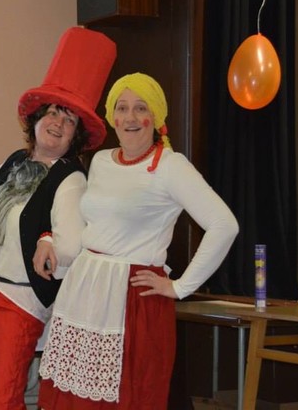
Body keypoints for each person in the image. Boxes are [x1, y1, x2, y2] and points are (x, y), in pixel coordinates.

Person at [37, 73, 240, 409]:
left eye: (141, 108)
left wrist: (180, 287)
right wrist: (48, 237)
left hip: (131, 298)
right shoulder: (101, 161)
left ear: (155, 117)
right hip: (84, 291)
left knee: (129, 397)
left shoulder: (170, 167)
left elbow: (224, 225)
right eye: (122, 108)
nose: (130, 117)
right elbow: (91, 222)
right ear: (112, 117)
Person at [0, 27, 116, 409]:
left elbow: (73, 248)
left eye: (69, 120)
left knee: (1, 401)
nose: (57, 123)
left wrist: (48, 239)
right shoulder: (12, 161)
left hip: (18, 305)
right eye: (53, 112)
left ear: (75, 136)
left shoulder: (70, 179)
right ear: (37, 117)